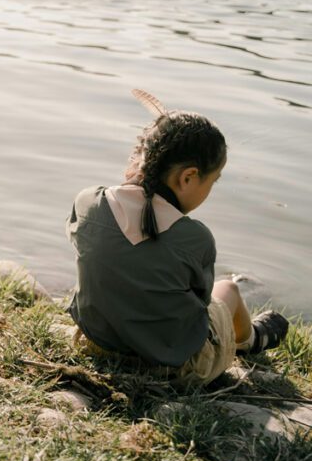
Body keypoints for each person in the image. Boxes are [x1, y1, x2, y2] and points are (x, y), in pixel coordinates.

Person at [67, 96, 289, 384]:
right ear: (188, 177)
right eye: (214, 180)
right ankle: (251, 340)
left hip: (98, 344)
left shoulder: (89, 203)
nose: (211, 188)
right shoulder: (195, 238)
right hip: (173, 367)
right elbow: (200, 305)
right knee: (229, 290)